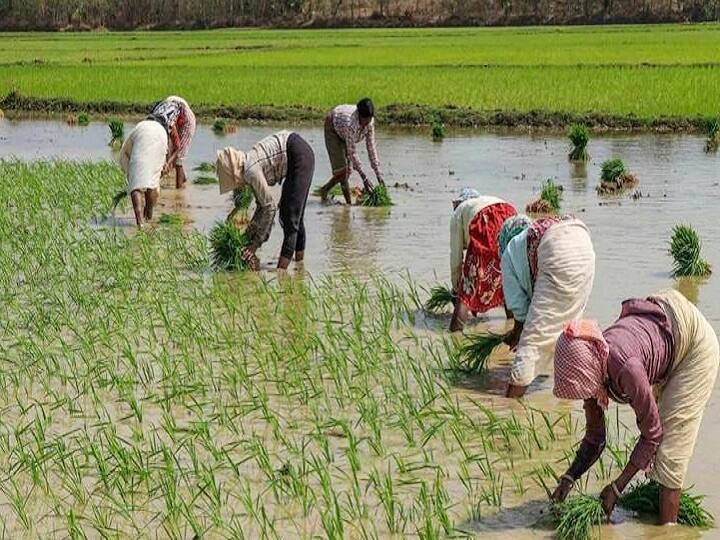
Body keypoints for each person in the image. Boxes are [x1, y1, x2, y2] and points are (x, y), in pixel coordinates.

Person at [550, 289, 719, 524]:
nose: (585, 398)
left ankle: (667, 531)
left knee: (670, 454)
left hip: (695, 346)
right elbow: (595, 437)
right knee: (658, 454)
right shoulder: (594, 363)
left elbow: (653, 434)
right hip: (666, 317)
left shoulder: (626, 369)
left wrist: (618, 488)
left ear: (587, 371)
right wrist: (569, 477)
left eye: (583, 390)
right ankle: (653, 513)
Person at [500, 215, 595, 398]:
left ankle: (509, 408)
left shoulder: (508, 254)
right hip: (583, 241)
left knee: (531, 342)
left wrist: (516, 334)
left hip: (557, 247)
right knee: (569, 330)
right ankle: (569, 399)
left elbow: (520, 314)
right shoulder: (527, 241)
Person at [216, 130, 315, 270]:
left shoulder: (250, 171)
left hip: (299, 155)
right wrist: (249, 237)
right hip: (296, 153)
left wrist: (254, 245)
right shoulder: (248, 166)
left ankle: (281, 272)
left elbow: (270, 208)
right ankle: (300, 268)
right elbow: (261, 207)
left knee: (290, 217)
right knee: (293, 215)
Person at [448, 188, 518, 332]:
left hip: (484, 221)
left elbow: (456, 257)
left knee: (466, 290)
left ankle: (454, 336)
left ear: (459, 202)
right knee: (507, 280)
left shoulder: (459, 211)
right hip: (510, 215)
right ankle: (514, 327)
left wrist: (456, 289)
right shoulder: (488, 200)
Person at [318, 98, 384, 204]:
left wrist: (378, 174)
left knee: (347, 172)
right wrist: (365, 178)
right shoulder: (350, 124)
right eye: (364, 120)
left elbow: (371, 147)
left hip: (343, 131)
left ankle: (325, 190)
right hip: (333, 128)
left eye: (369, 120)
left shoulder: (370, 123)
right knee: (342, 171)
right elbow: (352, 153)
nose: (366, 124)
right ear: (359, 115)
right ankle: (348, 206)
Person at [119, 119, 168, 228]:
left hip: (143, 140)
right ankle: (148, 216)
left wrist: (133, 178)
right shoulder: (161, 130)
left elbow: (126, 154)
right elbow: (163, 155)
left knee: (135, 187)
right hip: (161, 137)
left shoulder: (140, 127)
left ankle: (140, 222)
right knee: (152, 183)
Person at [147, 96, 196, 189]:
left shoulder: (169, 124)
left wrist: (168, 163)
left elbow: (178, 148)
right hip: (172, 105)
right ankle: (183, 179)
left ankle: (179, 189)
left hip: (186, 118)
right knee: (170, 152)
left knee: (179, 158)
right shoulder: (151, 121)